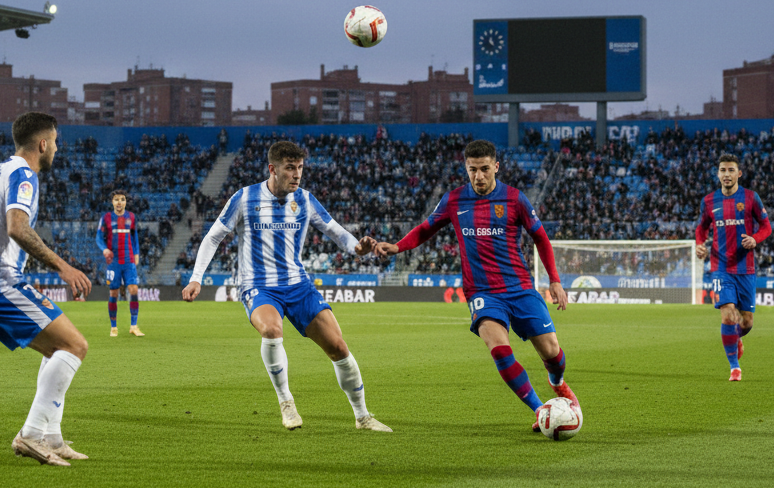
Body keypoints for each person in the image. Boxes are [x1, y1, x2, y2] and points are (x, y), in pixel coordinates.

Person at [181, 140, 390, 433]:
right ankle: (286, 401)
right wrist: (196, 277)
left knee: (338, 347)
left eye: (300, 168)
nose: (297, 174)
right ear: (273, 169)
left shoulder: (304, 200)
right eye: (290, 168)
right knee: (271, 329)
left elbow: (334, 231)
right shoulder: (245, 198)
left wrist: (358, 247)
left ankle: (363, 417)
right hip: (259, 286)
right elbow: (214, 236)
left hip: (298, 285)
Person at [374, 139, 577, 432]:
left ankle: (556, 382)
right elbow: (426, 228)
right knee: (498, 349)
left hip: (520, 287)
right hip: (482, 292)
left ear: (496, 167)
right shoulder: (454, 200)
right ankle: (542, 410)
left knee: (552, 353)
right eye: (473, 170)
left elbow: (541, 238)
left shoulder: (515, 199)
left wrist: (555, 280)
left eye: (484, 169)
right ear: (465, 169)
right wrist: (398, 246)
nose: (479, 176)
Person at [0, 112, 93, 467]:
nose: (57, 148)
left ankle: (53, 438)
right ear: (43, 144)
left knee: (55, 350)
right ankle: (29, 435)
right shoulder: (24, 175)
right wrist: (64, 266)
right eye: (55, 141)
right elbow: (17, 227)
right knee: (75, 346)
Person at [695, 153, 772, 381]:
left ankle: (737, 338)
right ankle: (734, 367)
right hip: (720, 267)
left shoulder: (750, 198)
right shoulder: (709, 201)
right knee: (729, 315)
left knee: (746, 322)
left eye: (731, 170)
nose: (726, 174)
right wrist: (700, 245)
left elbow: (766, 226)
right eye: (722, 170)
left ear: (738, 173)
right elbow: (701, 228)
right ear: (718, 174)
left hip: (745, 268)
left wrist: (756, 239)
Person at [97, 189, 144, 337]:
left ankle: (134, 326)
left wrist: (136, 253)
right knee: (114, 293)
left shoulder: (131, 217)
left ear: (125, 202)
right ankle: (113, 327)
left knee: (134, 290)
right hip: (114, 261)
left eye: (122, 199)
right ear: (112, 202)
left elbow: (134, 236)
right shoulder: (106, 218)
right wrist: (104, 249)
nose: (119, 202)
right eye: (116, 199)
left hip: (129, 259)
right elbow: (99, 237)